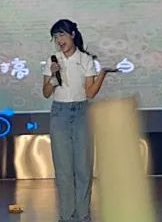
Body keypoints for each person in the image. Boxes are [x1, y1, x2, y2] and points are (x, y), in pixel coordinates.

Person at [42, 19, 113, 222]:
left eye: (62, 35)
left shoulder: (85, 59)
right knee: (63, 169)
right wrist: (53, 77)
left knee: (83, 168)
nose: (59, 40)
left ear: (72, 35)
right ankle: (66, 215)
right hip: (60, 113)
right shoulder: (52, 60)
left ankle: (83, 215)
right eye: (55, 37)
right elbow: (46, 92)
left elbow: (90, 93)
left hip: (82, 112)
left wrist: (102, 75)